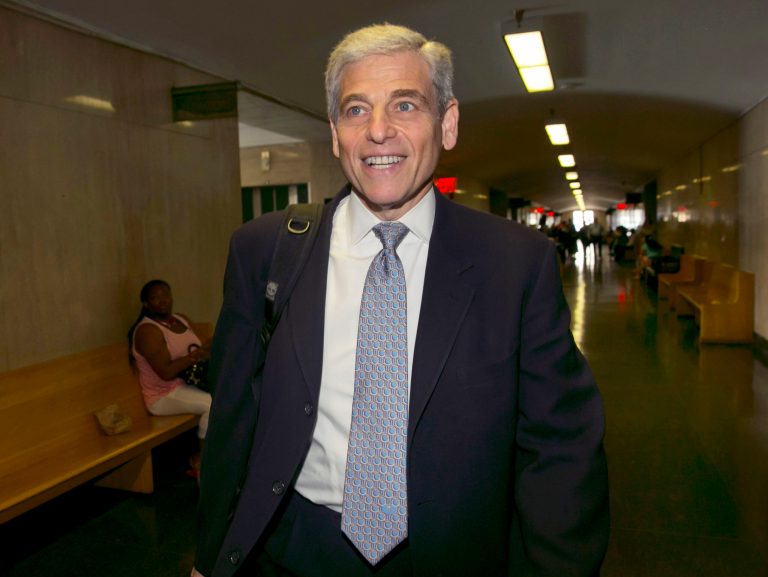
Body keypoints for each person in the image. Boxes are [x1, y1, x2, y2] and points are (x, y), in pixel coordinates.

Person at [192, 23, 608, 577]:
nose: (378, 132)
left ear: (448, 123)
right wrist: (210, 556)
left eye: (406, 105)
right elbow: (233, 422)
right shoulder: (265, 250)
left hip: (450, 554)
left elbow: (561, 448)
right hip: (294, 548)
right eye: (356, 110)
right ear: (336, 133)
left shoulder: (514, 262)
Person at [128, 279, 212, 472]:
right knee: (212, 405)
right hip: (163, 395)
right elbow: (166, 372)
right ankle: (203, 463)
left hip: (187, 384)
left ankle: (227, 457)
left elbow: (200, 349)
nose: (162, 300)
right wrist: (196, 355)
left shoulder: (181, 319)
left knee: (232, 395)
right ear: (146, 304)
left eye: (165, 294)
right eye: (155, 298)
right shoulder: (147, 331)